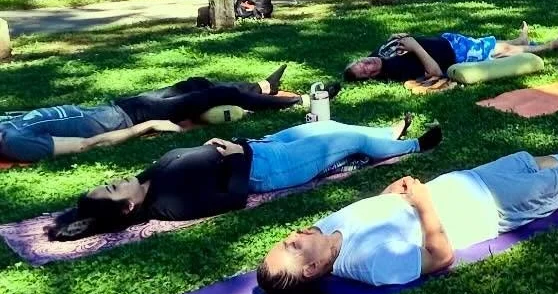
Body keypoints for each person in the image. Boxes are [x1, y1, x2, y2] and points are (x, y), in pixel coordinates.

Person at [257, 121, 558, 294]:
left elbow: (373, 212)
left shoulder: (323, 229)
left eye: (285, 240)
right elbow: (440, 257)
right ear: (312, 269)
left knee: (525, 161)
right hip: (489, 208)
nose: (294, 236)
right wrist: (423, 203)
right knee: (555, 183)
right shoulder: (370, 265)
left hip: (465, 182)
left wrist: (391, 192)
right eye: (293, 247)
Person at [48, 116, 445, 241]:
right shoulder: (168, 204)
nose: (118, 178)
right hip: (270, 167)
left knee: (327, 126)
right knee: (347, 141)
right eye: (114, 187)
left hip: (259, 146)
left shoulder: (148, 180)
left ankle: (383, 135)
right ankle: (413, 147)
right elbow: (233, 198)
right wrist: (237, 159)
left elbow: (188, 162)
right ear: (127, 207)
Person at [0, 68, 314, 164]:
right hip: (128, 118)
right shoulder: (16, 141)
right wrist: (147, 126)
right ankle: (297, 101)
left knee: (195, 84)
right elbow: (87, 145)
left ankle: (263, 87)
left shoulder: (5, 124)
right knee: (217, 95)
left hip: (119, 105)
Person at [343, 24, 558, 83]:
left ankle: (520, 40)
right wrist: (415, 46)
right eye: (366, 70)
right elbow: (435, 72)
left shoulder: (377, 54)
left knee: (488, 43)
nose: (367, 64)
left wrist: (401, 36)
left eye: (361, 62)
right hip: (455, 54)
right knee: (502, 51)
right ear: (372, 76)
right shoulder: (395, 70)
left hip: (448, 40)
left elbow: (398, 42)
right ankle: (549, 46)